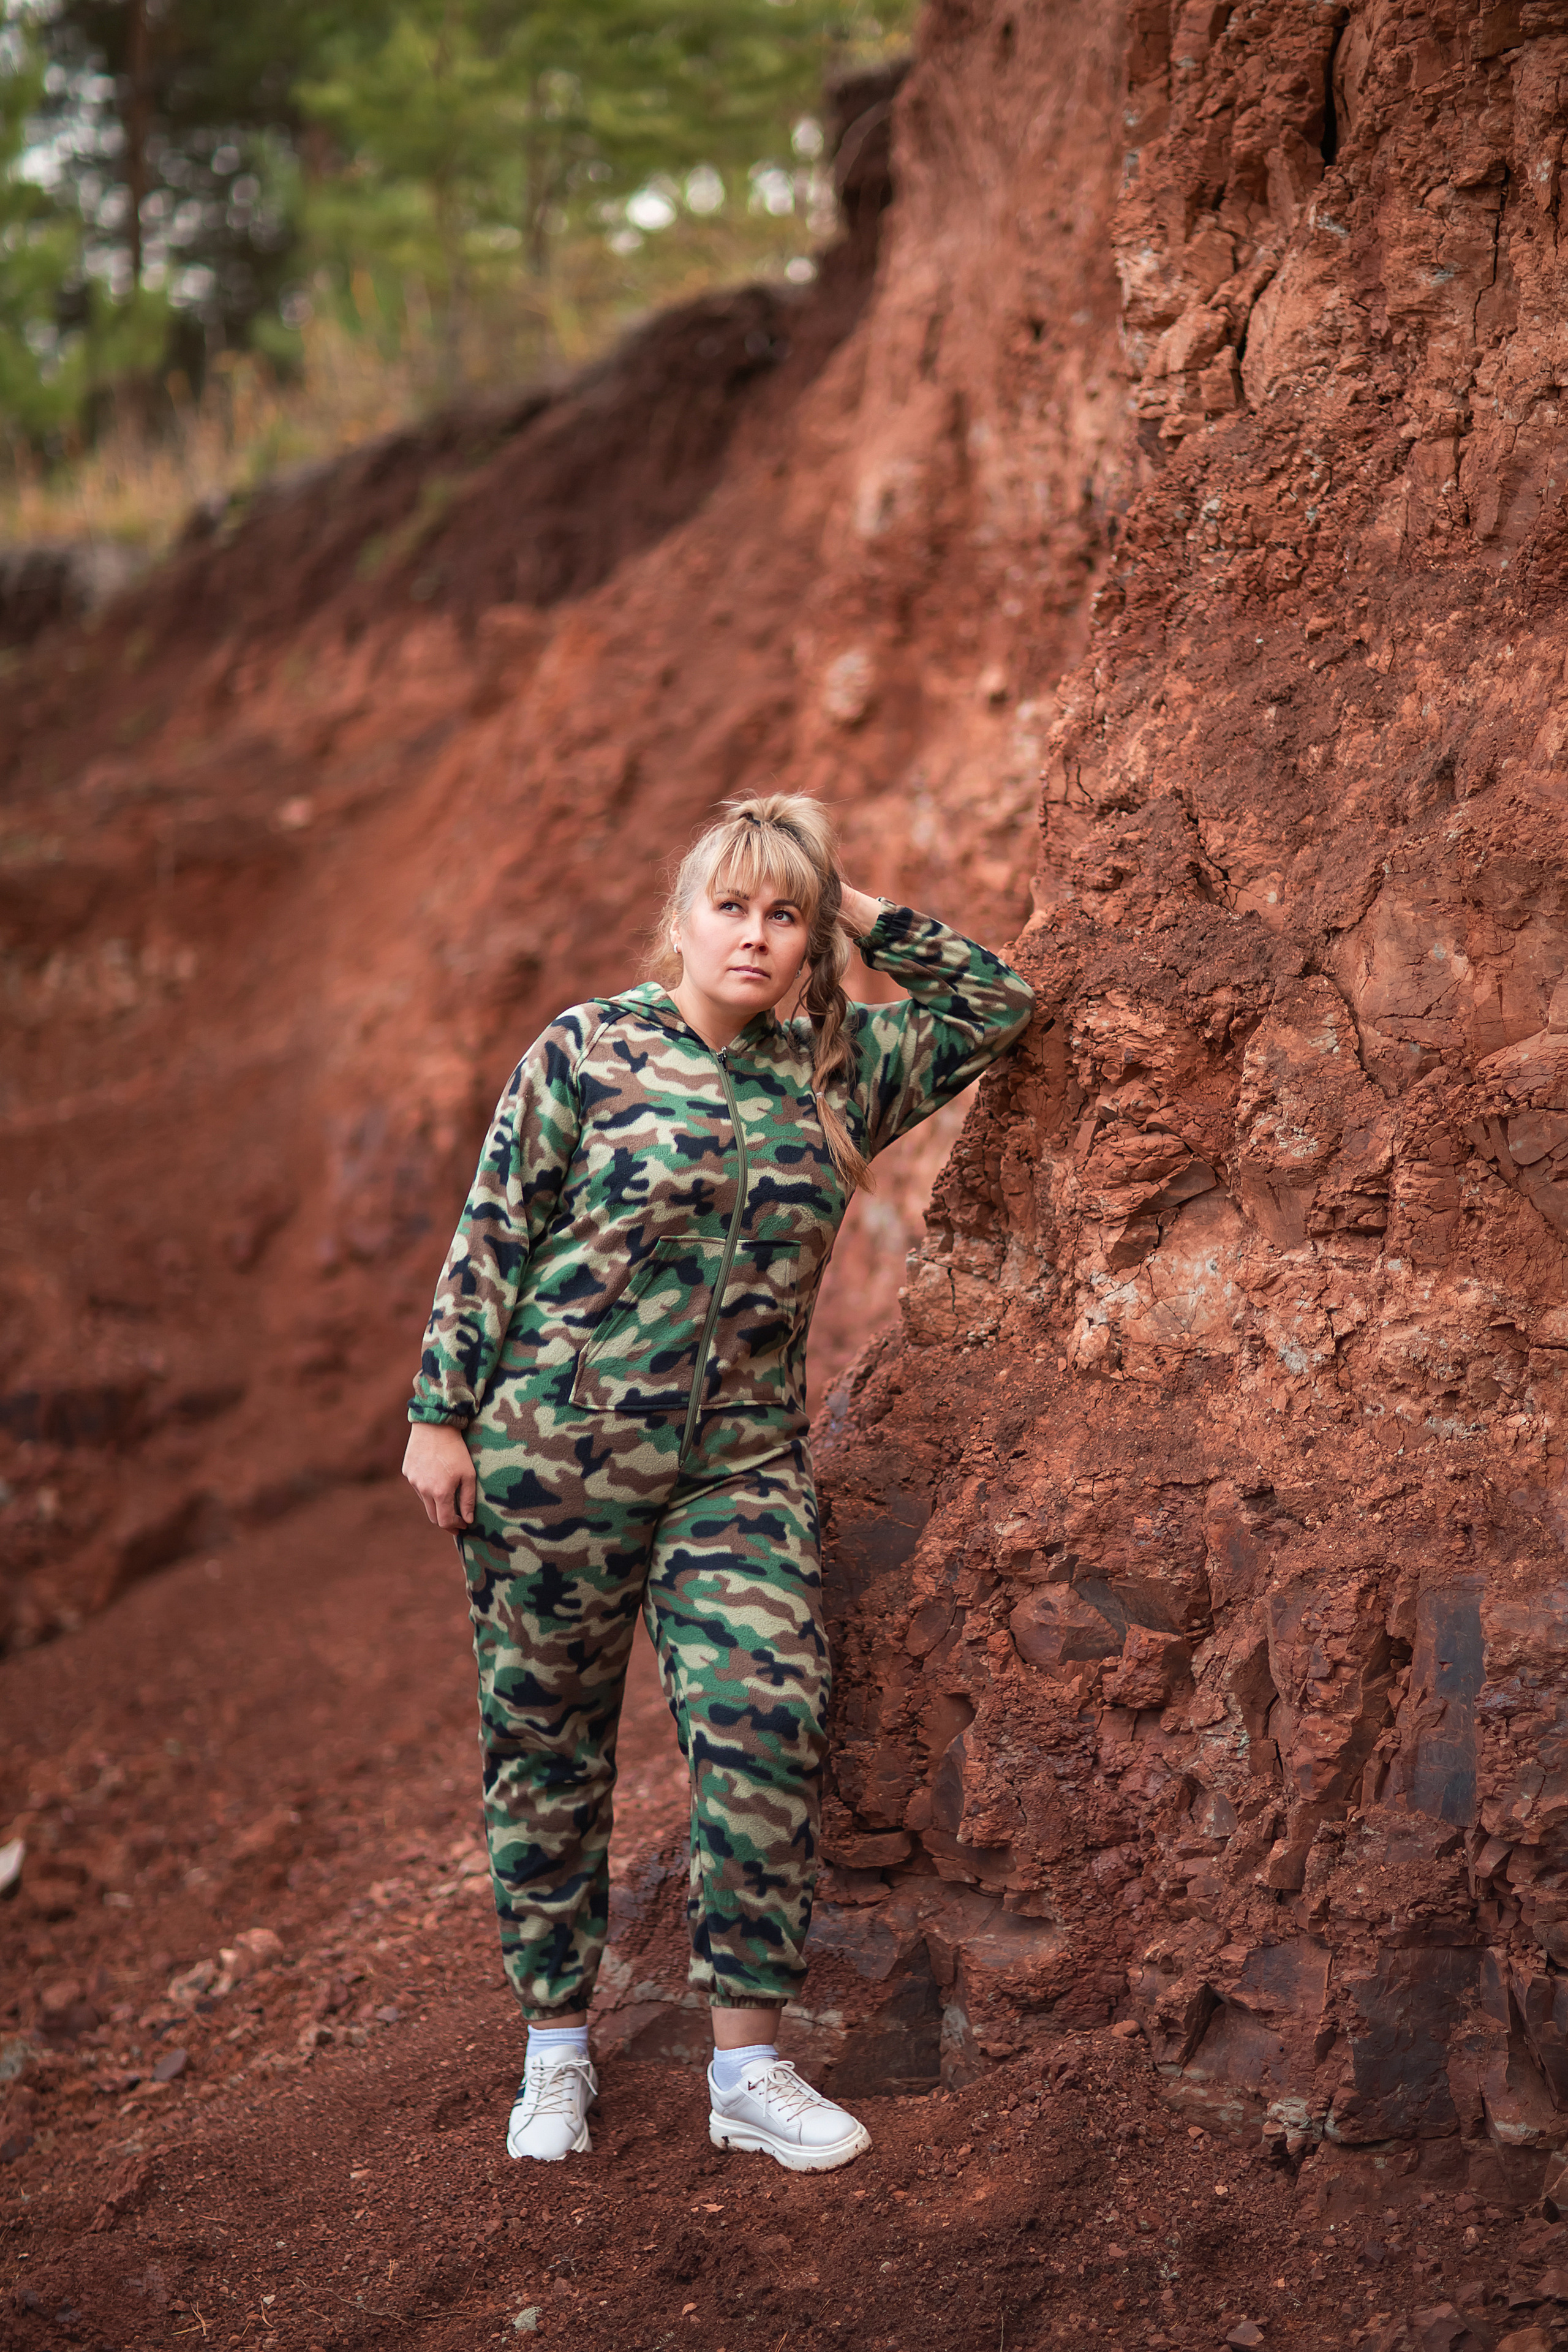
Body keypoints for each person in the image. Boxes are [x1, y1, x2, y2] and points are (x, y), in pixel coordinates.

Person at [402, 791, 1033, 2171]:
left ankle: (747, 2065)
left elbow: (996, 1004)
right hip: (549, 1464)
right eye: (732, 906)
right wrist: (439, 1416)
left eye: (783, 915)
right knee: (547, 1754)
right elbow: (493, 1229)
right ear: (681, 921)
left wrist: (849, 896)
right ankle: (554, 2052)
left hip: (736, 1466)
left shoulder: (835, 1070)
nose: (755, 934)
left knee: (762, 1716)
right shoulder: (589, 1047)